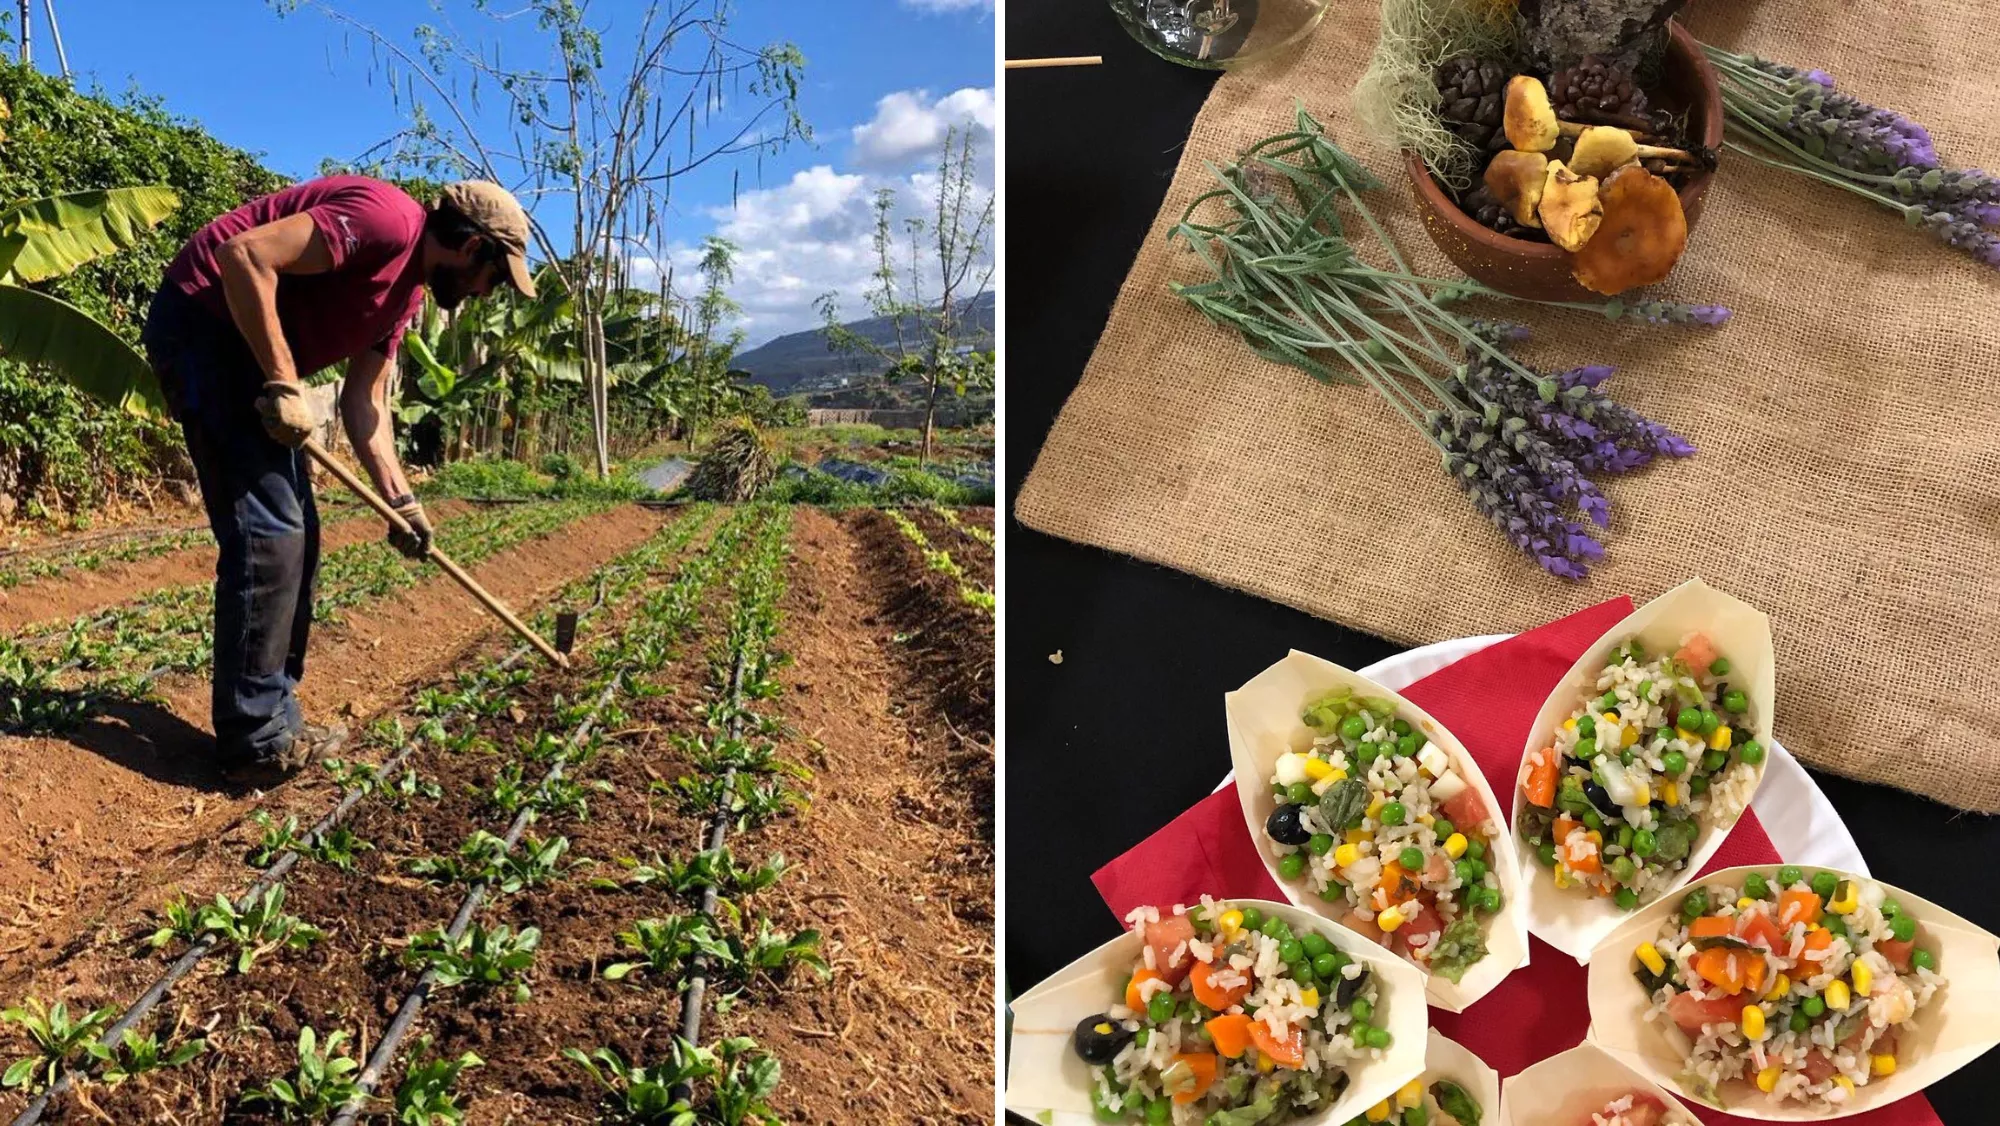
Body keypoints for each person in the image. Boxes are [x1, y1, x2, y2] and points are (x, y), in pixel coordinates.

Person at [140, 176, 537, 784]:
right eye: (494, 277)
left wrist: (402, 503)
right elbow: (243, 256)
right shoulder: (387, 221)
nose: (486, 292)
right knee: (271, 535)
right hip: (205, 327)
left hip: (246, 353)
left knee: (302, 532)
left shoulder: (405, 297)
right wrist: (282, 382)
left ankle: (276, 714)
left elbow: (365, 403)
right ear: (472, 246)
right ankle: (252, 742)